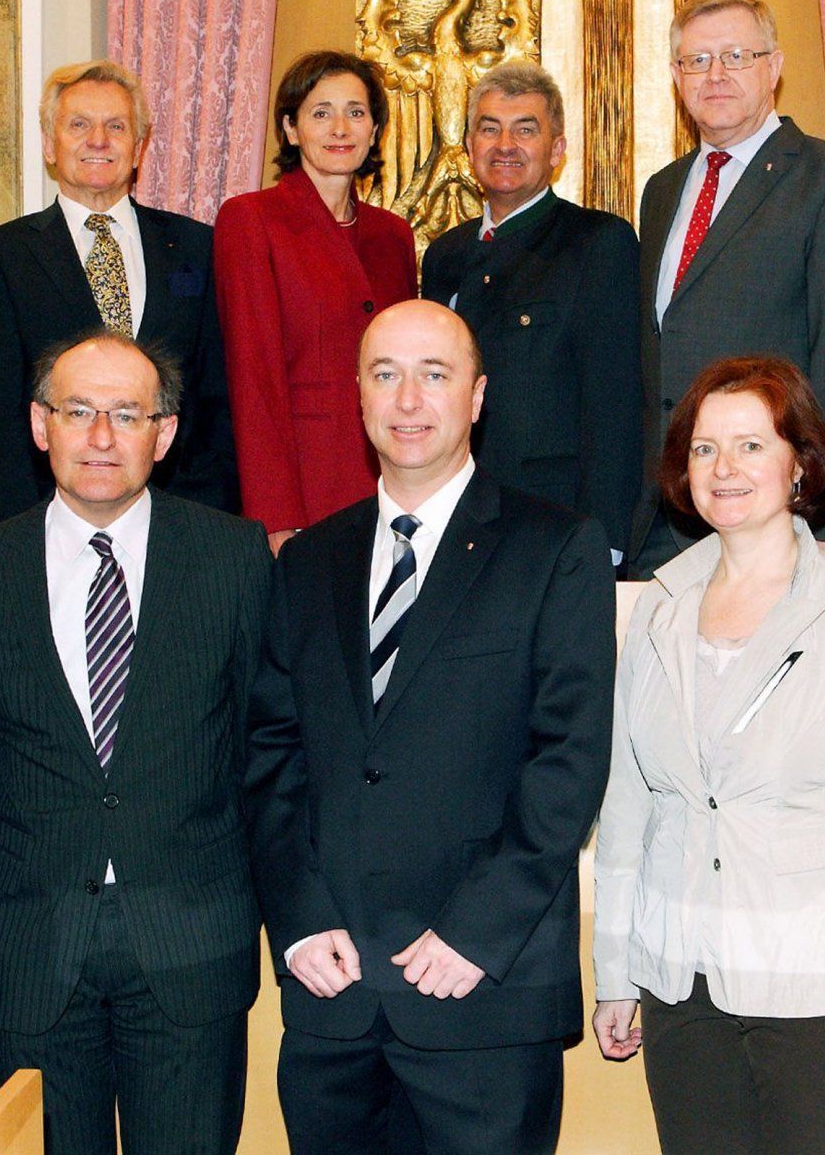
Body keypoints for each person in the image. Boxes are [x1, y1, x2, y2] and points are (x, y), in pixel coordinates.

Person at [245, 299, 614, 1154]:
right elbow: (270, 754)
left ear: (478, 397)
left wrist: (475, 934)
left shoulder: (556, 547)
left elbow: (569, 760)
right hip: (331, 996)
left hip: (481, 995)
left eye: (434, 375)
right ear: (360, 398)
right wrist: (299, 918)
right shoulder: (309, 559)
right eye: (386, 375)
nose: (408, 399)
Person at [0, 332, 271, 1153]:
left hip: (192, 943)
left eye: (127, 414)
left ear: (163, 434)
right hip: (38, 946)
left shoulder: (234, 557)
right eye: (78, 410)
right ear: (38, 424)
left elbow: (254, 745)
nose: (100, 436)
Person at [592, 355, 825, 1154]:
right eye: (704, 449)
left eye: (751, 445)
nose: (725, 468)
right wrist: (615, 970)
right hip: (680, 984)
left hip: (815, 990)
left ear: (800, 463)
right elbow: (629, 804)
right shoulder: (659, 608)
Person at [632, 0, 825, 571]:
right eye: (696, 61)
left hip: (779, 517)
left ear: (773, 67)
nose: (715, 75)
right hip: (666, 514)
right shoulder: (662, 190)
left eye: (736, 56)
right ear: (676, 76)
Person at [0, 59, 236, 525]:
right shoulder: (2, 255)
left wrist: (203, 517)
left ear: (138, 148)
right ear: (50, 144)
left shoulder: (196, 246)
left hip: (179, 517)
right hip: (49, 517)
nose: (98, 141)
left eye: (116, 126)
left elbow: (214, 401)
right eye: (79, 125)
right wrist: (22, 531)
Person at [420, 58, 642, 560]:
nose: (505, 146)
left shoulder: (597, 242)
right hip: (454, 515)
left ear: (556, 149)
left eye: (526, 130)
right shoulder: (445, 255)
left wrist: (605, 540)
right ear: (469, 146)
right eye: (489, 129)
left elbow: (615, 405)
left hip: (555, 521)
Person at [215, 50, 419, 550]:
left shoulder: (392, 235)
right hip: (305, 486)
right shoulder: (251, 220)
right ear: (290, 128)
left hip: (389, 480)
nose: (340, 128)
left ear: (375, 130)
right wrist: (276, 516)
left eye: (356, 112)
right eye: (320, 112)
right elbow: (253, 378)